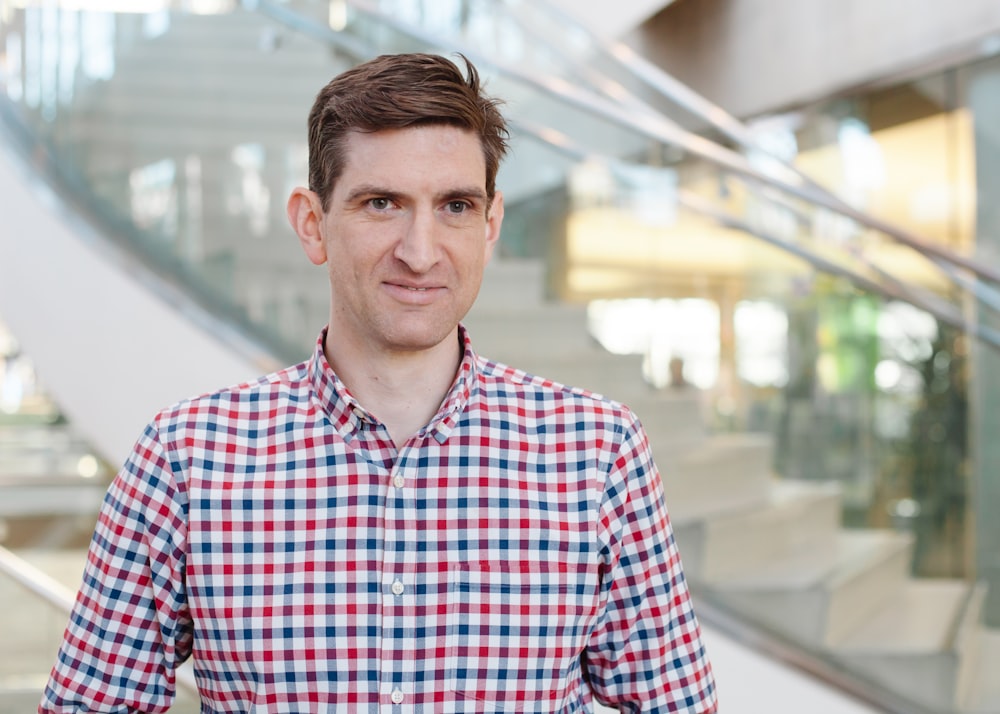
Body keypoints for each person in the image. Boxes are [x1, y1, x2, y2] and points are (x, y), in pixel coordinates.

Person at [39, 53, 716, 713]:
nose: (420, 252)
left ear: (491, 226)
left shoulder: (597, 453)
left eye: (454, 205)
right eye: (381, 202)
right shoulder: (186, 458)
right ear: (313, 223)